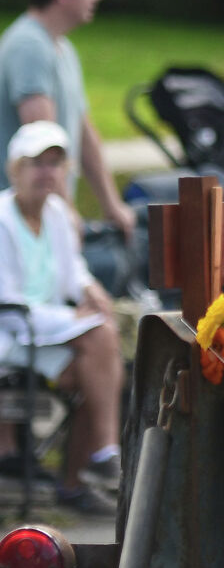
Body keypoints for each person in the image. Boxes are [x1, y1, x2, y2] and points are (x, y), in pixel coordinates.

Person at [0, 121, 126, 514]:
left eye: (55, 163)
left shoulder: (56, 214)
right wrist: (73, 316)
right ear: (15, 169)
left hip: (49, 334)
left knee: (96, 363)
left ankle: (85, 473)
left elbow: (72, 272)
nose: (47, 172)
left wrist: (91, 291)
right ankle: (99, 460)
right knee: (100, 351)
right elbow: (8, 303)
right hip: (11, 333)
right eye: (37, 163)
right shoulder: (2, 219)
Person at [0, 0, 135, 241]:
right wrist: (66, 212)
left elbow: (85, 135)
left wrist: (111, 205)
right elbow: (42, 141)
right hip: (20, 226)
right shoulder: (29, 46)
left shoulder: (61, 47)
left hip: (44, 216)